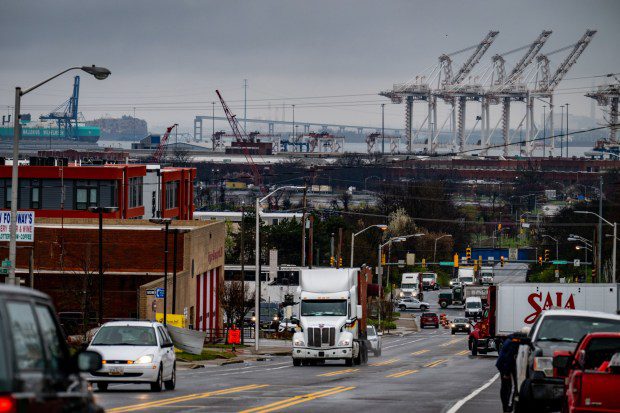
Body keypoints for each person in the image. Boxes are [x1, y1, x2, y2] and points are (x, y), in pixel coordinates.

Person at [495, 333, 523, 413]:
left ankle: (509, 406)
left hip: (510, 363)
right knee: (508, 386)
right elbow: (509, 358)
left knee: (513, 386)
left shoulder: (513, 339)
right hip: (504, 364)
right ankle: (507, 407)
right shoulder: (514, 343)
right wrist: (507, 373)